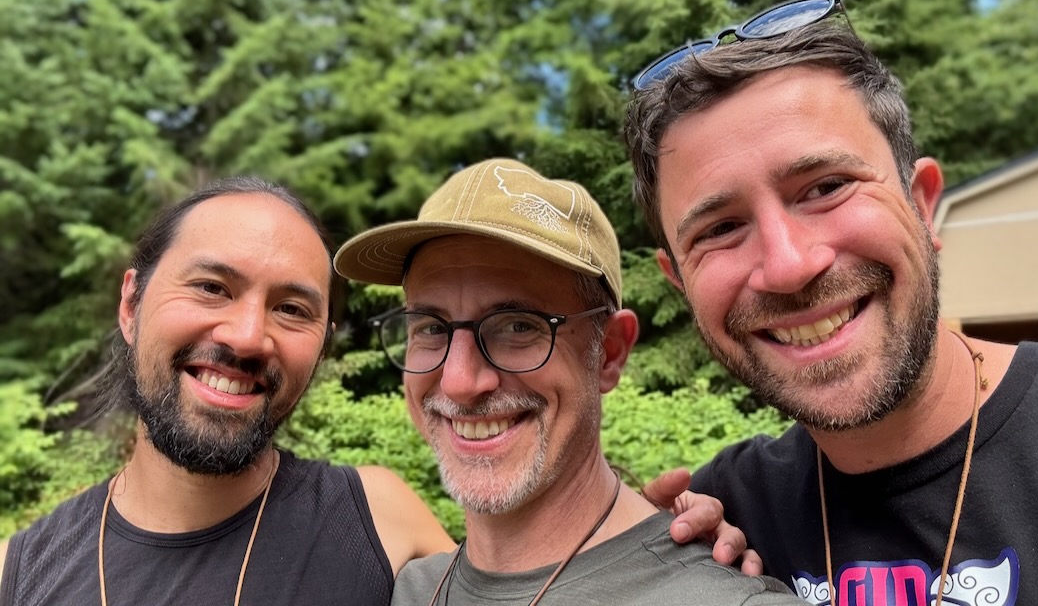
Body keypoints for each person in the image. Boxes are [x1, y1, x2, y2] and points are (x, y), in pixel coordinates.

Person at [625, 1, 1038, 605]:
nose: (788, 266)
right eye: (719, 228)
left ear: (922, 204)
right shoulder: (726, 518)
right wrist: (640, 575)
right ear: (679, 281)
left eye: (827, 187)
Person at [334, 157, 806, 605]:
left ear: (611, 352)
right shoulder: (407, 588)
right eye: (432, 328)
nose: (459, 381)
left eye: (518, 325)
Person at [0, 177, 454, 606]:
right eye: (211, 287)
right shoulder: (17, 577)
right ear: (130, 305)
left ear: (323, 346)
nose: (247, 337)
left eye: (292, 309)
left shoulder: (383, 525)